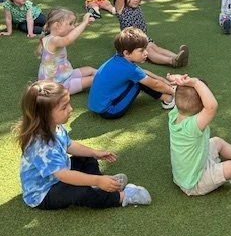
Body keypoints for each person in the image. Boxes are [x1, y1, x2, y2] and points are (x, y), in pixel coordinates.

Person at [16, 80, 151, 209]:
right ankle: (121, 197)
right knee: (80, 192)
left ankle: (100, 184)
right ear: (44, 115)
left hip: (59, 175)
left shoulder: (54, 126)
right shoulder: (42, 145)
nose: (70, 109)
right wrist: (96, 181)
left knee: (87, 158)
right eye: (64, 107)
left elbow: (69, 145)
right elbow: (64, 176)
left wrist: (94, 152)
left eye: (69, 104)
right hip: (44, 192)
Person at [115, 0, 188, 67]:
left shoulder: (137, 4)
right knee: (149, 50)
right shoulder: (121, 9)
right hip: (131, 42)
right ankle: (172, 61)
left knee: (155, 47)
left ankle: (178, 56)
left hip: (143, 37)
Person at [88, 26, 176, 119]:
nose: (146, 53)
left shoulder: (119, 58)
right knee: (139, 82)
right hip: (109, 110)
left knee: (140, 78)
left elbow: (142, 72)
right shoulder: (130, 69)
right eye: (141, 50)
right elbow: (155, 84)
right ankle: (168, 99)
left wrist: (159, 78)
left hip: (98, 105)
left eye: (145, 49)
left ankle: (167, 95)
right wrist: (173, 92)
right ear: (127, 53)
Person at [38, 8, 97, 94]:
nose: (73, 27)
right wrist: (83, 23)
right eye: (70, 24)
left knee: (89, 69)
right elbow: (68, 39)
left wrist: (83, 24)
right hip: (57, 85)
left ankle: (105, 74)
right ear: (57, 25)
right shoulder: (53, 41)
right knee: (93, 79)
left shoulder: (50, 36)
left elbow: (70, 31)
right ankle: (110, 81)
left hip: (64, 74)